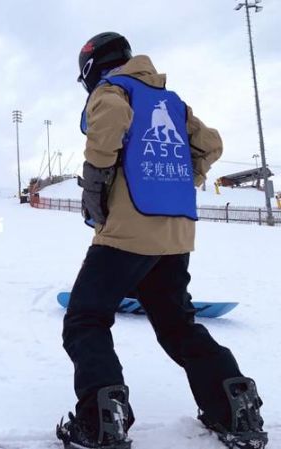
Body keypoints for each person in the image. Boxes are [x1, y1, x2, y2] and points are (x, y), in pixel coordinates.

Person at [56, 32, 267, 449]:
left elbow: (111, 116)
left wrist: (95, 179)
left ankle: (101, 421)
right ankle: (234, 409)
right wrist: (184, 180)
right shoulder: (170, 102)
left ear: (90, 67)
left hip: (126, 234)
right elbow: (211, 144)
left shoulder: (111, 90)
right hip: (174, 235)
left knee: (86, 319)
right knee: (177, 325)